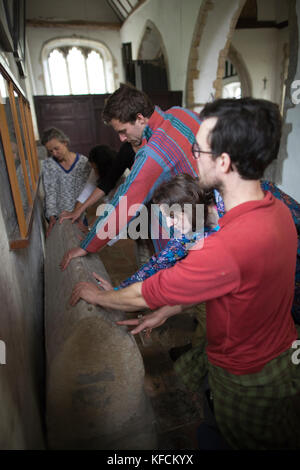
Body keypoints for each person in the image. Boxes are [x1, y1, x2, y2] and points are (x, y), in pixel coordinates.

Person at [69, 97, 300, 450]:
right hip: (275, 353)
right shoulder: (276, 208)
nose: (191, 156)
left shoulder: (223, 247)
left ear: (223, 161)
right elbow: (220, 283)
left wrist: (99, 294)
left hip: (246, 377)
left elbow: (154, 288)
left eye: (198, 149)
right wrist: (167, 309)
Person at [60, 83, 201, 271]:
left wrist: (87, 245)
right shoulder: (181, 113)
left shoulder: (153, 153)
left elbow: (124, 204)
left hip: (187, 229)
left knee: (172, 284)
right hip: (216, 215)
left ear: (140, 118)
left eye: (123, 131)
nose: (121, 139)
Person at [92, 173, 219, 291]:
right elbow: (156, 265)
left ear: (189, 207)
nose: (169, 224)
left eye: (173, 216)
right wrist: (117, 291)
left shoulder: (227, 201)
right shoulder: (186, 237)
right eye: (166, 218)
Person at [59, 142, 135, 226]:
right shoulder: (96, 171)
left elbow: (110, 206)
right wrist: (75, 212)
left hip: (128, 211)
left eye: (95, 168)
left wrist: (90, 228)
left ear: (103, 167)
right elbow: (86, 193)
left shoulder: (123, 175)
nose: (94, 171)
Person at [41, 127, 90, 237]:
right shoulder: (49, 165)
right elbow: (50, 193)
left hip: (79, 215)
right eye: (50, 151)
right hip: (59, 218)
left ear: (65, 143)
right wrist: (52, 217)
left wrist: (79, 213)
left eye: (56, 148)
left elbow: (85, 193)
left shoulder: (83, 162)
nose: (54, 153)